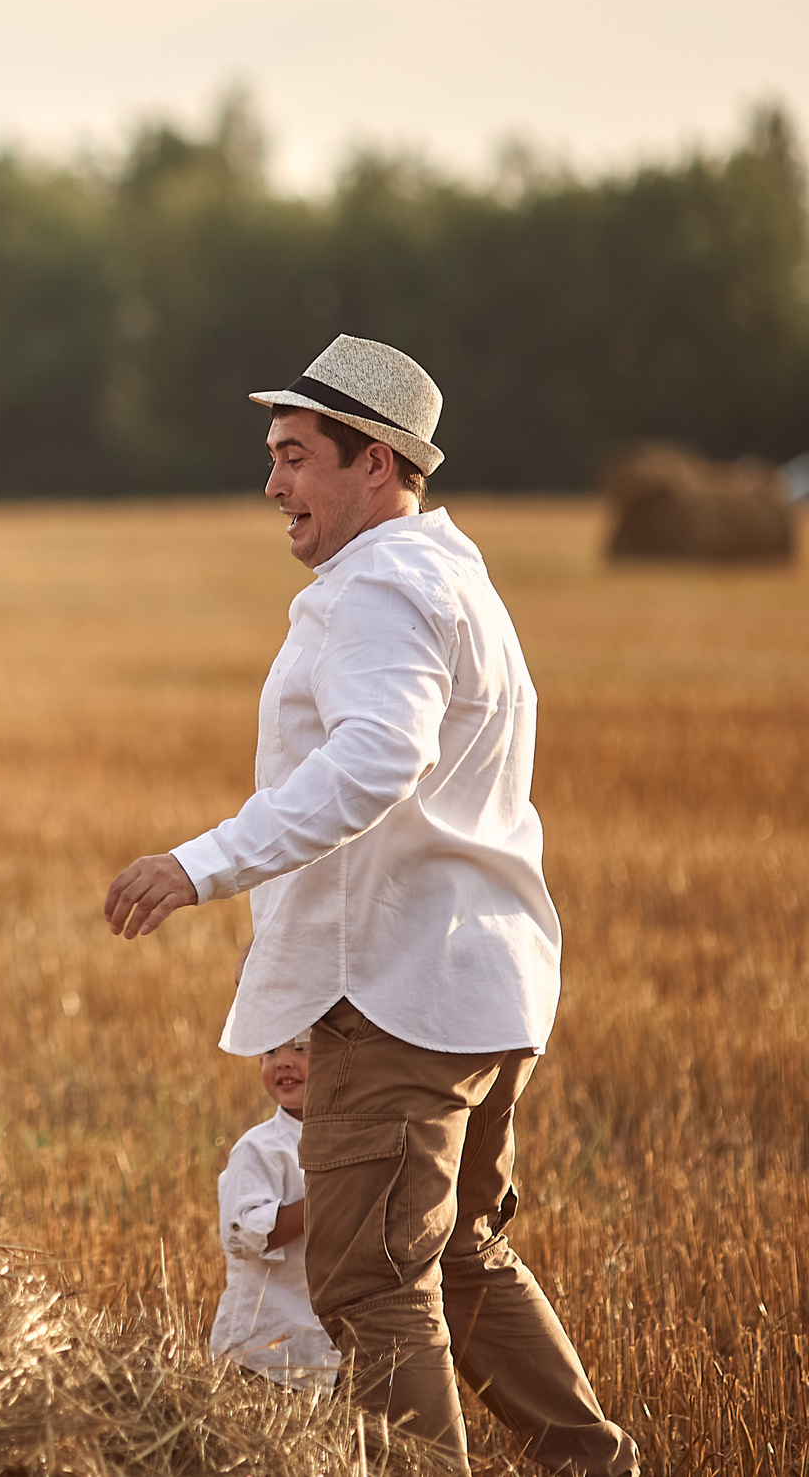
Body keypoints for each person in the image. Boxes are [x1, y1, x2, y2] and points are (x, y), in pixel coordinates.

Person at [100, 335, 636, 1473]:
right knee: (455, 1260)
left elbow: (375, 759)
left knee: (369, 1280)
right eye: (273, 455)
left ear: (378, 464)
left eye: (296, 457)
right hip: (482, 982)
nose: (273, 485)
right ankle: (592, 1465)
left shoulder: (383, 584)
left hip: (400, 993)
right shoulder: (448, 570)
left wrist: (199, 865)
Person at [210, 1031, 341, 1395]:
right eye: (270, 1051)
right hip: (262, 1355)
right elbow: (247, 1236)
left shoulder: (350, 1141)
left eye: (301, 1048)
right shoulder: (258, 1148)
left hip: (324, 1351)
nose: (283, 1060)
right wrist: (331, 1198)